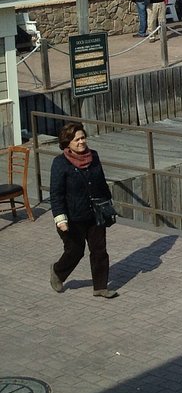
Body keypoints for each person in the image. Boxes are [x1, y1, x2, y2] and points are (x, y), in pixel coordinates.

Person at [50, 122, 118, 298]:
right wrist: (60, 218)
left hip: (95, 213)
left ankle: (101, 287)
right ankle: (58, 272)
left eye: (83, 137)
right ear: (67, 143)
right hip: (72, 217)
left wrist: (109, 205)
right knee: (75, 251)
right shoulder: (60, 163)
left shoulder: (93, 156)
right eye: (77, 139)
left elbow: (101, 182)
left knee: (99, 250)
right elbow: (56, 193)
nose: (81, 142)